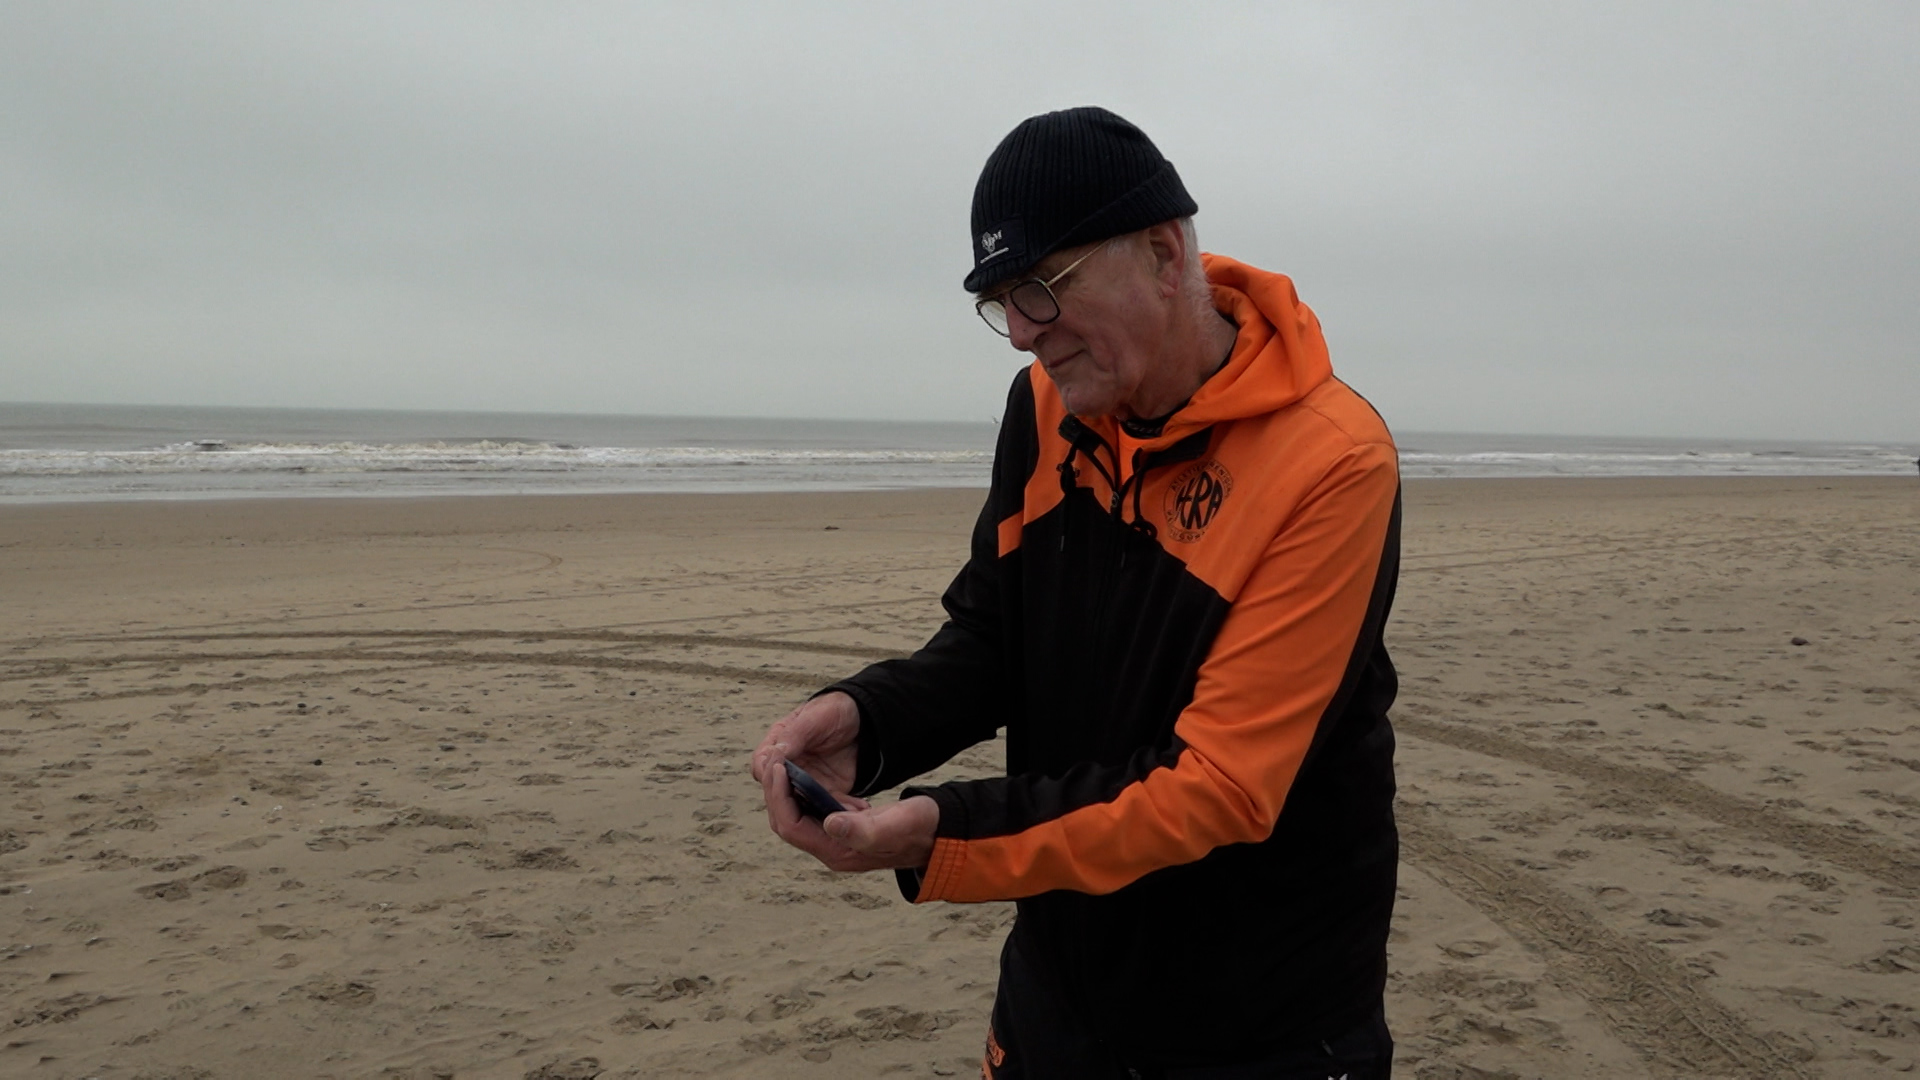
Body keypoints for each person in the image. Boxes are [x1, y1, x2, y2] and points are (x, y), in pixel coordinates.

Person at [751, 106, 1402, 1079]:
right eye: (1001, 301)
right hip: (1062, 987)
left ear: (1162, 250)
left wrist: (947, 830)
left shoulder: (1330, 462)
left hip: (1262, 1019)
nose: (1021, 335)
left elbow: (1217, 790)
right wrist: (869, 721)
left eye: (1043, 289)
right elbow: (991, 638)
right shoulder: (1049, 405)